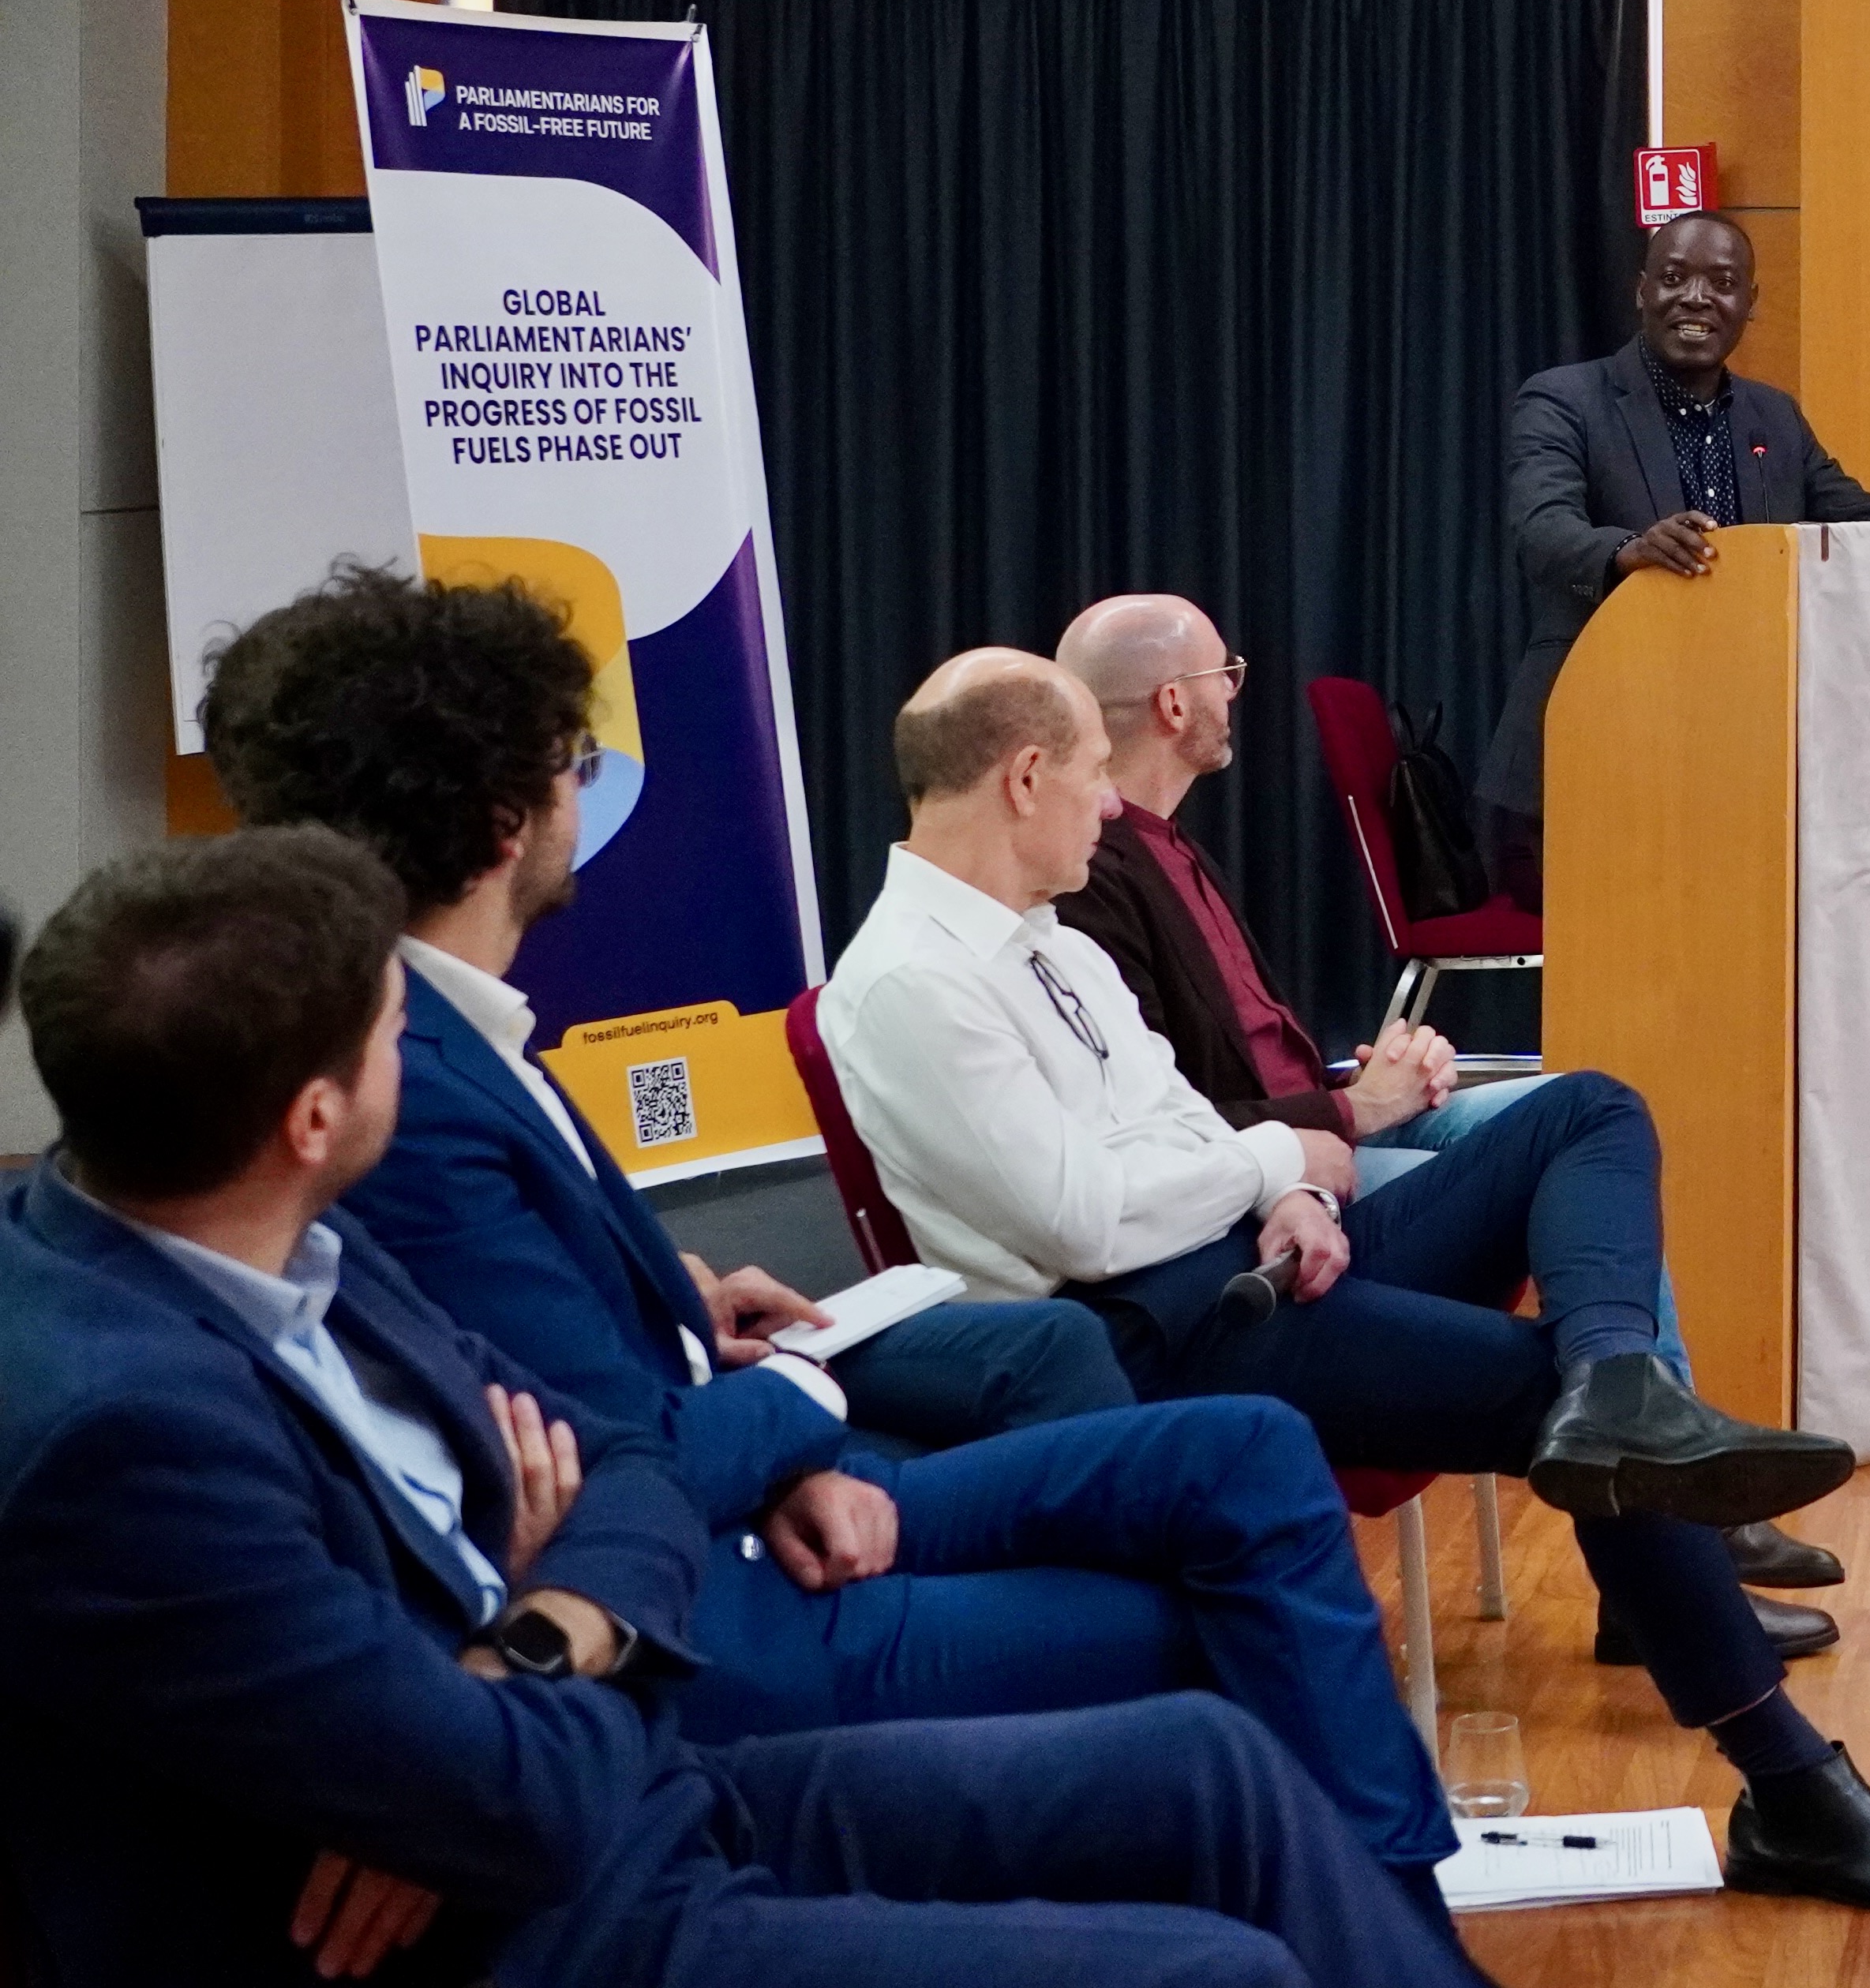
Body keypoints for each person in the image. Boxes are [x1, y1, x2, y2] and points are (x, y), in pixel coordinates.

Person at [0, 827, 1483, 1988]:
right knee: (1211, 1973)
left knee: (1215, 1772)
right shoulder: (131, 1434)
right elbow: (519, 1794)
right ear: (313, 1119)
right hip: (546, 1924)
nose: (420, 1051)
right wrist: (552, 1631)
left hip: (633, 1783)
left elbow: (622, 1462)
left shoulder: (298, 1240)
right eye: (392, 1030)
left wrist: (542, 1611)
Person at [195, 567, 1460, 1878]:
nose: (592, 789)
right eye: (576, 759)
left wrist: (676, 1304)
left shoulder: (450, 1037)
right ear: (509, 821)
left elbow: (537, 1371)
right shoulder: (416, 1087)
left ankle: (1370, 1900)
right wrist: (797, 1410)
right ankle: (1377, 1911)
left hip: (726, 1495)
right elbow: (610, 1454)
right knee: (1219, 1601)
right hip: (705, 1607)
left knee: (1246, 1459)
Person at [823, 647, 1870, 1911]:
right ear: (1022, 780)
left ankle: (1620, 1373)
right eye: (1084, 776)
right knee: (1558, 1411)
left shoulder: (1046, 940)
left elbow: (1175, 1125)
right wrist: (1284, 1156)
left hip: (1257, 1253)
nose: (1110, 804)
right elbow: (1081, 1224)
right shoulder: (910, 981)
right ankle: (1793, 1785)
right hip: (1164, 1332)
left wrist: (1283, 1188)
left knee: (1587, 1112)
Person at [1050, 586, 1846, 1647]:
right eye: (1223, 677)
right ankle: (1672, 1520)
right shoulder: (1096, 870)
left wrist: (1371, 1071)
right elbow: (1168, 1115)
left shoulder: (1171, 844)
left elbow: (1243, 1046)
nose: (1240, 695)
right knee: (1584, 1129)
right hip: (1277, 1173)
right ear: (1173, 705)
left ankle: (1653, 1475)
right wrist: (1347, 1102)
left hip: (1330, 1116)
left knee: (1593, 1142)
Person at [1475, 208, 1870, 899]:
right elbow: (1543, 533)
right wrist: (1630, 551)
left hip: (1739, 762)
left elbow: (1860, 523)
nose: (1696, 297)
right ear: (1642, 291)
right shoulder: (1567, 400)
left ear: (1749, 305)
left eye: (1722, 283)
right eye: (1673, 278)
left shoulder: (1773, 418)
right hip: (1597, 753)